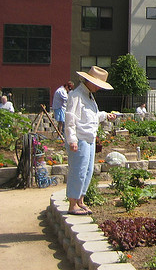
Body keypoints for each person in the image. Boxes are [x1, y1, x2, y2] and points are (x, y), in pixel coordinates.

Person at [65, 66, 117, 215]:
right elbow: (70, 119)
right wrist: (72, 140)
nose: (99, 88)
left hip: (89, 138)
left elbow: (91, 117)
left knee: (87, 171)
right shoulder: (76, 96)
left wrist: (105, 115)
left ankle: (80, 200)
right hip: (80, 139)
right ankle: (72, 203)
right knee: (78, 171)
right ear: (90, 81)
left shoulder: (89, 96)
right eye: (98, 85)